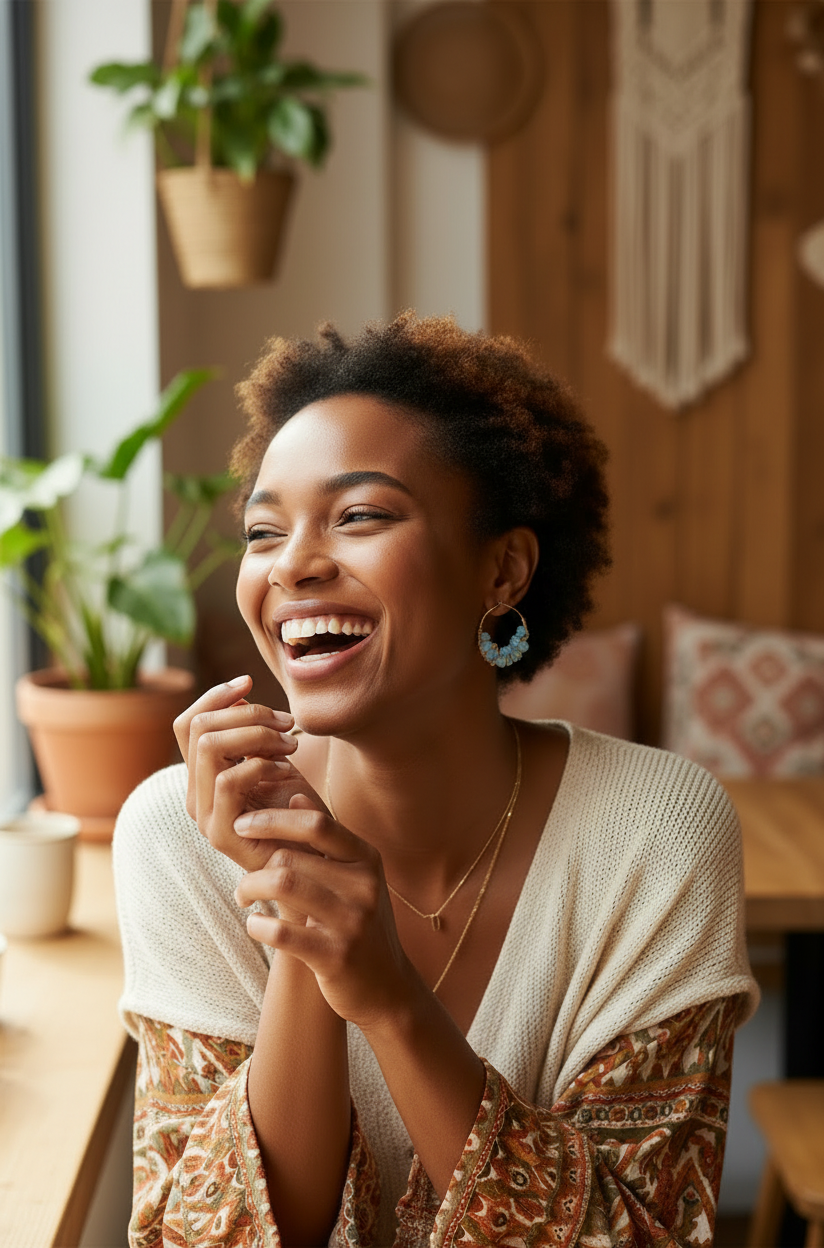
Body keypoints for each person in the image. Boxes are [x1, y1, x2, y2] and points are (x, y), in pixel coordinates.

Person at [114, 313, 758, 1248]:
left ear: (503, 570)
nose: (292, 563)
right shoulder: (179, 831)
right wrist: (297, 917)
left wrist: (386, 996)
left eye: (360, 515)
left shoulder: (657, 833)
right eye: (263, 530)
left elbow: (640, 1237)